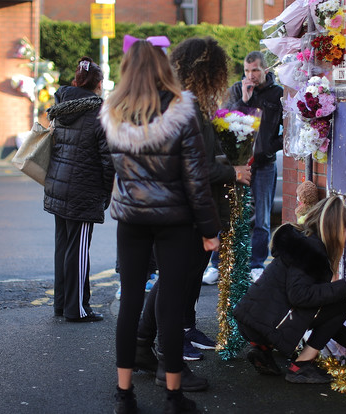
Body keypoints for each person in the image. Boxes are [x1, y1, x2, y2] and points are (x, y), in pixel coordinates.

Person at [101, 39, 221, 414]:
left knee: (130, 303)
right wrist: (209, 228)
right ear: (162, 70)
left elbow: (111, 171)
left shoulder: (113, 113)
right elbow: (196, 180)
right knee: (169, 304)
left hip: (131, 220)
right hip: (173, 222)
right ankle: (173, 396)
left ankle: (124, 397)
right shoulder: (182, 112)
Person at [133, 37, 252, 380]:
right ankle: (170, 365)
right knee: (172, 284)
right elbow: (192, 167)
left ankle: (144, 346)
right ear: (208, 71)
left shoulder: (183, 102)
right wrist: (232, 170)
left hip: (176, 205)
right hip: (182, 208)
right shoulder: (186, 106)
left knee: (172, 282)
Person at [232, 195, 346, 383]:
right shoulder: (311, 252)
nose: (345, 243)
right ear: (336, 231)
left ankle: (262, 350)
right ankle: (301, 365)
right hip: (264, 326)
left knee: (334, 302)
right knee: (341, 304)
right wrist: (344, 286)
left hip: (253, 321)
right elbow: (299, 296)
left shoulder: (303, 242)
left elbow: (318, 311)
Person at [44, 56, 114, 323]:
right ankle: (78, 309)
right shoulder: (99, 113)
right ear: (98, 84)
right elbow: (108, 160)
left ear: (76, 81)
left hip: (57, 186)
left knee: (64, 248)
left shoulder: (62, 107)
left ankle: (62, 305)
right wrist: (106, 193)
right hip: (83, 190)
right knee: (79, 250)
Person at [204, 50, 283, 284]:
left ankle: (256, 264)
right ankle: (218, 264)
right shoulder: (236, 91)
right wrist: (244, 102)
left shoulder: (277, 94)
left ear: (265, 70)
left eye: (255, 70)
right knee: (229, 214)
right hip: (236, 165)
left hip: (264, 163)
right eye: (247, 71)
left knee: (261, 218)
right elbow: (225, 123)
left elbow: (286, 129)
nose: (251, 75)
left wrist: (269, 147)